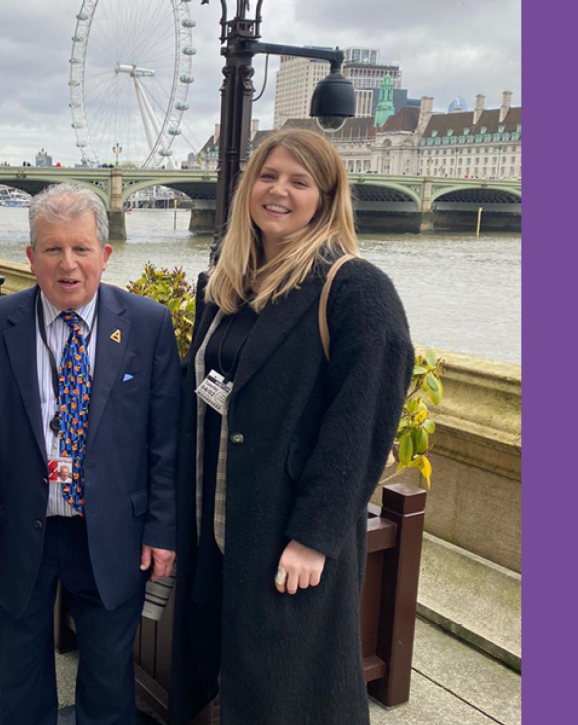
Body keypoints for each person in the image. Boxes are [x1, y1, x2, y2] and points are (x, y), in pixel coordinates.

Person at [168, 128, 413, 725]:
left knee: (290, 691)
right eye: (268, 177)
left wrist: (314, 536)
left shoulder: (355, 289)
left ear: (327, 198)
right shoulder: (226, 283)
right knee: (222, 675)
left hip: (283, 535)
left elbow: (361, 426)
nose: (279, 191)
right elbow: (200, 392)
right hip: (214, 526)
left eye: (299, 181)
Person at [0, 184, 180, 725]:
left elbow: (165, 440)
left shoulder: (148, 325)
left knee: (107, 676)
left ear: (105, 253)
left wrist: (161, 530)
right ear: (30, 257)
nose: (67, 264)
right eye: (52, 249)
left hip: (114, 529)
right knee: (20, 674)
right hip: (18, 529)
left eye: (81, 248)